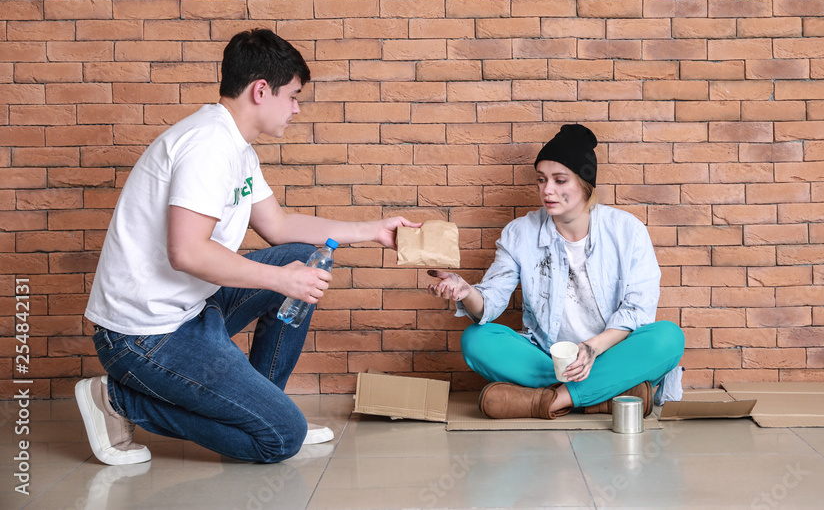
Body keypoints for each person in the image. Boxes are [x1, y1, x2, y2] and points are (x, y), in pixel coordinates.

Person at [77, 28, 419, 465]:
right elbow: (189, 252)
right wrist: (282, 279)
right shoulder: (208, 146)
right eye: (294, 96)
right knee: (280, 439)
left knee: (300, 262)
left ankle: (259, 407)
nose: (297, 108)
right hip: (144, 336)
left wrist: (373, 230)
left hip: (191, 309)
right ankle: (119, 401)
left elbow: (278, 226)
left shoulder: (236, 147)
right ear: (262, 90)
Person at [427, 124, 685, 419]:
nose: (547, 190)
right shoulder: (520, 233)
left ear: (585, 183)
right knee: (475, 340)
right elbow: (492, 300)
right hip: (547, 359)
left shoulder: (628, 231)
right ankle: (606, 394)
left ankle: (549, 401)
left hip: (610, 353)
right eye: (541, 180)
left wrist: (592, 348)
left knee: (668, 337)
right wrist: (467, 291)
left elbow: (638, 310)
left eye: (560, 180)